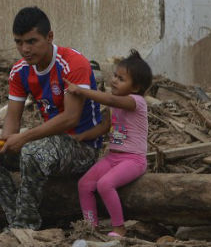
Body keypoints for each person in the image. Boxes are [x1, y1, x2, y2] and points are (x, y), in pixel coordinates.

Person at [0, 6, 103, 230]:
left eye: (32, 41)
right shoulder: (19, 71)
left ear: (49, 37)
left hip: (82, 147)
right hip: (49, 143)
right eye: (19, 42)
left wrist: (23, 140)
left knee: (32, 152)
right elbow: (12, 118)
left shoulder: (73, 64)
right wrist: (4, 141)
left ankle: (27, 226)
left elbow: (71, 118)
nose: (25, 49)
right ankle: (15, 219)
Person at [64, 49, 152, 238]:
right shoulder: (116, 103)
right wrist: (82, 136)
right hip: (113, 157)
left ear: (135, 87)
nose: (114, 80)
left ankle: (119, 227)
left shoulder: (136, 101)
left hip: (134, 160)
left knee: (105, 184)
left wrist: (82, 90)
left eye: (121, 79)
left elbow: (111, 99)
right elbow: (105, 126)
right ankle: (90, 226)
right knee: (84, 184)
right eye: (114, 76)